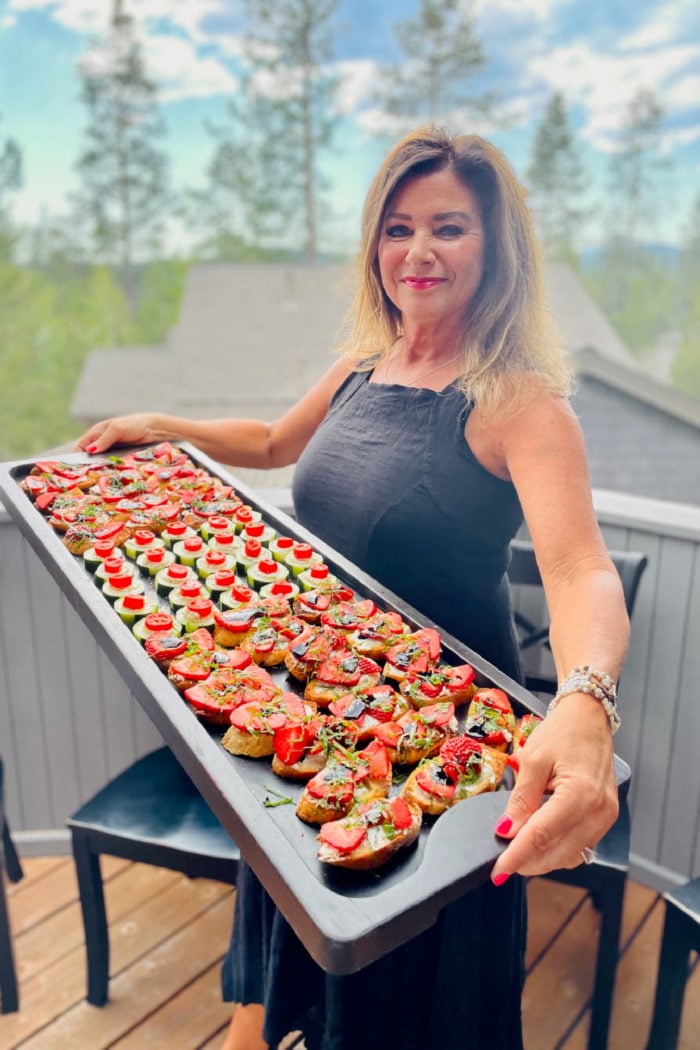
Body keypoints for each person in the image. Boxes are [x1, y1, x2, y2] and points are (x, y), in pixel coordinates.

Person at [76, 126, 629, 1050]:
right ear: (374, 244)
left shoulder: (521, 400)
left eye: (448, 227)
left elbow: (580, 568)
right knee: (291, 934)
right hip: (320, 715)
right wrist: (163, 421)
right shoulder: (360, 368)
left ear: (496, 249)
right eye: (397, 228)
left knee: (402, 998)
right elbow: (268, 444)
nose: (417, 252)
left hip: (448, 746)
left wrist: (587, 699)